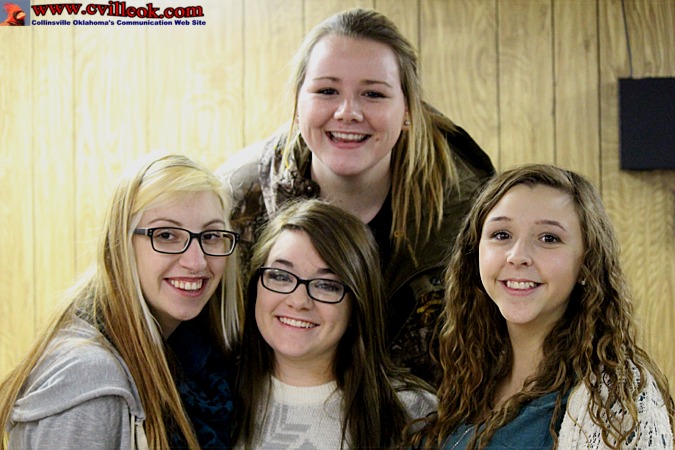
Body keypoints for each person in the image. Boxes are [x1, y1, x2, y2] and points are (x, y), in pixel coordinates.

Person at [216, 7, 495, 386]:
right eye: (327, 91)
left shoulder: (474, 211)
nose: (348, 112)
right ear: (297, 105)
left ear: (408, 110)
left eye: (373, 94)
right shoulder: (233, 201)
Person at [409, 164, 675, 449]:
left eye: (549, 238)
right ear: (475, 251)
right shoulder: (468, 377)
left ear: (587, 263)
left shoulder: (615, 395)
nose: (517, 256)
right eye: (502, 234)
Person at [0, 154, 242, 449]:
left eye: (211, 236)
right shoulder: (89, 381)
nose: (197, 262)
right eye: (166, 235)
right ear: (119, 244)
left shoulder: (196, 359)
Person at [235, 198, 437, 449]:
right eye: (280, 276)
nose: (298, 301)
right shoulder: (213, 396)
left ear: (358, 303)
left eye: (326, 285)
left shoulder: (414, 414)